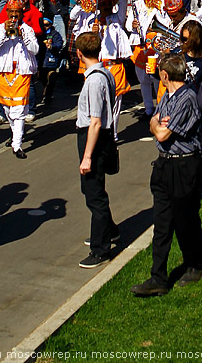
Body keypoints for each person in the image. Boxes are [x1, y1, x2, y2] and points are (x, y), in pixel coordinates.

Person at [131, 53, 202, 296]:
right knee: (161, 224)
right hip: (164, 164)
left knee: (186, 221)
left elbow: (162, 134)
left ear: (164, 75)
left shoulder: (187, 97)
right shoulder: (167, 96)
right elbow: (155, 122)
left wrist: (158, 126)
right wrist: (157, 124)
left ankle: (196, 264)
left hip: (184, 166)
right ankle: (158, 277)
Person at [75, 31, 120, 269]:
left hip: (94, 138)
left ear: (80, 54)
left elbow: (95, 121)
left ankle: (100, 249)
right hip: (98, 137)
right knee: (93, 190)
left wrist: (87, 156)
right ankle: (109, 230)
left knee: (94, 194)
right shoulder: (105, 74)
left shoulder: (94, 80)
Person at [0, 0, 39, 158]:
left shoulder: (27, 29)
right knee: (8, 110)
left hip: (21, 72)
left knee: (18, 110)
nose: (14, 16)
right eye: (11, 12)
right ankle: (16, 135)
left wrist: (22, 35)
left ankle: (17, 145)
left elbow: (35, 49)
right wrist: (5, 30)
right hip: (3, 72)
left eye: (17, 13)